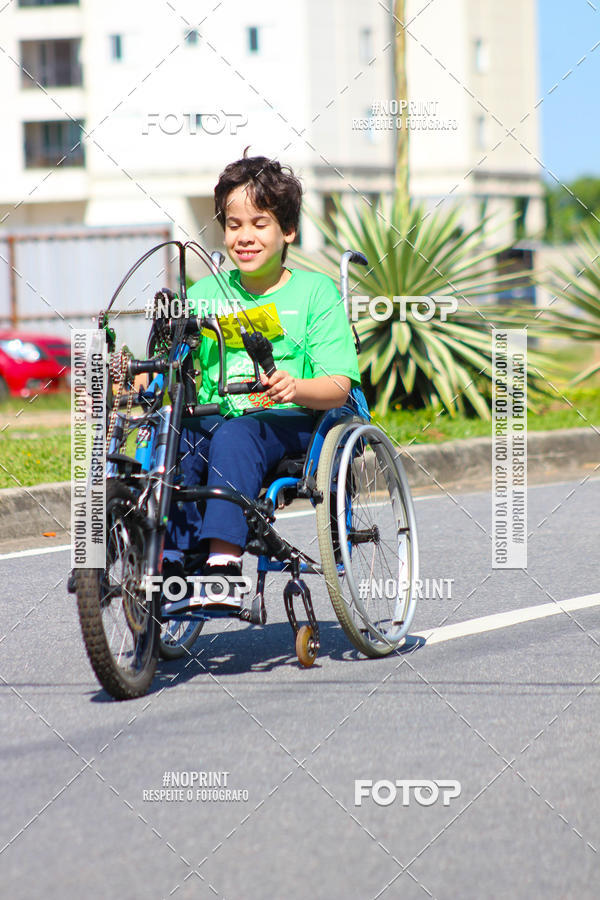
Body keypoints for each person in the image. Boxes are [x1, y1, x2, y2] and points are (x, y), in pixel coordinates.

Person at [163, 152, 360, 612]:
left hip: (295, 419)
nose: (245, 236)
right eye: (234, 225)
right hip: (219, 416)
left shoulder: (315, 293)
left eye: (259, 223)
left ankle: (223, 566)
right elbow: (173, 365)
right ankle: (172, 560)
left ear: (287, 231)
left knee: (235, 435)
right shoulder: (204, 294)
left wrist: (296, 387)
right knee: (174, 435)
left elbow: (338, 385)